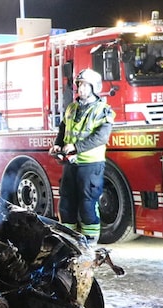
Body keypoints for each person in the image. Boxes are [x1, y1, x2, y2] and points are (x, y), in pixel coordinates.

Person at [48, 68, 115, 244]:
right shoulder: (71, 108)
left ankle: (90, 244)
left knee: (87, 204)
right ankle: (68, 241)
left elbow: (102, 137)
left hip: (91, 165)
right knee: (66, 203)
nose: (81, 89)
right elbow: (63, 128)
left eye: (85, 85)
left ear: (94, 88)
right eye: (79, 85)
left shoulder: (103, 110)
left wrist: (76, 147)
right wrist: (58, 144)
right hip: (71, 164)